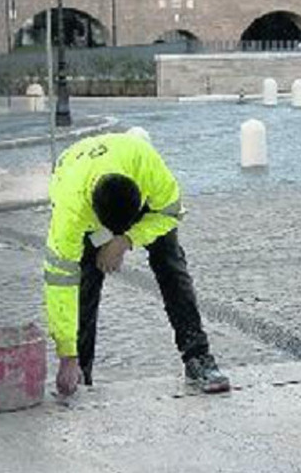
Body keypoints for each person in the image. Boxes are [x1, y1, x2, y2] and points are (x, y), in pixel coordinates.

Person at [45, 132, 230, 398]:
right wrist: (66, 352)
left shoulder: (147, 167)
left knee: (171, 265)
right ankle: (79, 369)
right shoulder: (70, 210)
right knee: (83, 283)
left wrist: (126, 240)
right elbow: (59, 282)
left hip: (134, 188)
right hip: (80, 185)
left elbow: (171, 213)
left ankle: (198, 357)